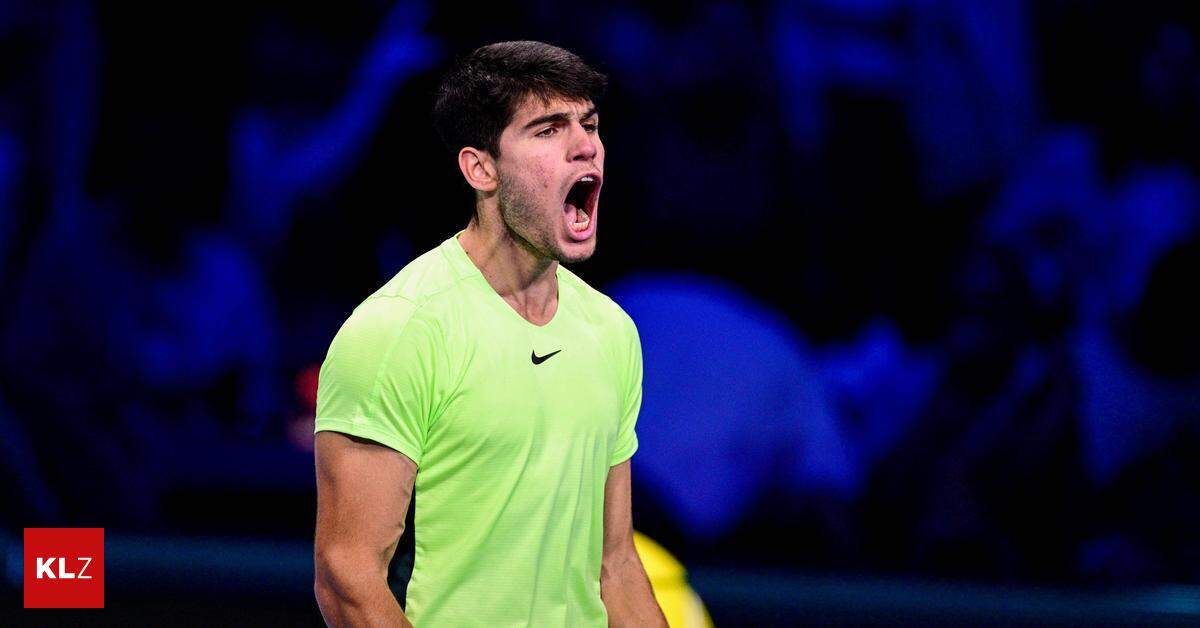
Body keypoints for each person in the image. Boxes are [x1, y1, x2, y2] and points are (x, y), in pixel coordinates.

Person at [312, 41, 667, 627]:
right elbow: (347, 576)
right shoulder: (399, 330)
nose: (586, 147)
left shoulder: (611, 332)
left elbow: (616, 565)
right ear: (481, 169)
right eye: (549, 130)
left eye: (590, 125)